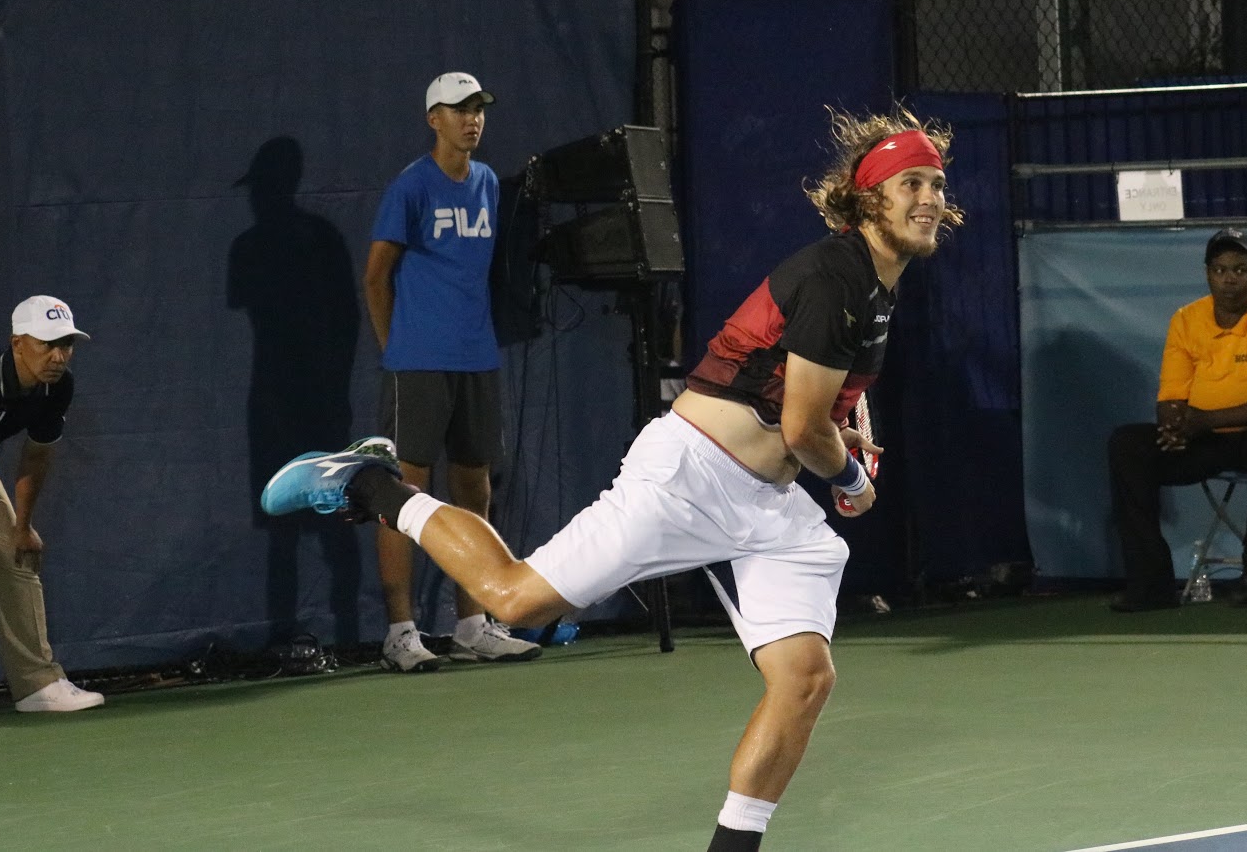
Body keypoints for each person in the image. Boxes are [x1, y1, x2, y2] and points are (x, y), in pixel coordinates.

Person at [263, 110, 962, 851]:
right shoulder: (836, 278)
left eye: (936, 184)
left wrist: (837, 432)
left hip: (765, 503)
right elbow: (800, 428)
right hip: (688, 476)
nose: (928, 197)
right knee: (513, 596)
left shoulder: (879, 286)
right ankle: (372, 484)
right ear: (867, 199)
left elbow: (801, 403)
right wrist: (851, 478)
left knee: (805, 678)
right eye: (909, 183)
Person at [362, 71, 538, 671]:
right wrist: (399, 347)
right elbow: (376, 277)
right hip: (416, 363)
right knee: (403, 496)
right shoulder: (410, 188)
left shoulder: (488, 182)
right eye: (459, 109)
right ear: (433, 118)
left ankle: (472, 623)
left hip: (477, 360)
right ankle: (400, 633)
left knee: (474, 492)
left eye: (479, 109)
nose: (473, 119)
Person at [1107, 229, 1247, 612]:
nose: (1230, 279)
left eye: (1240, 270)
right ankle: (1151, 584)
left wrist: (1203, 421)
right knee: (1128, 444)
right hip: (1213, 435)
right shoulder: (1186, 319)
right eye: (1221, 270)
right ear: (1207, 273)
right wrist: (1174, 427)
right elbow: (1172, 395)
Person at [0, 297, 104, 712]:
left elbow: (37, 454)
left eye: (66, 344)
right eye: (47, 344)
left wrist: (22, 526)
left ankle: (37, 687)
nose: (58, 356)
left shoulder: (57, 386)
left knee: (16, 559)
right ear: (17, 343)